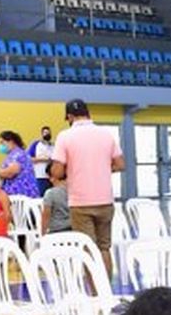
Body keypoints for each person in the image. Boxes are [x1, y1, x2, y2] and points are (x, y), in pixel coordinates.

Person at [50, 99, 124, 272]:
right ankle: (107, 291)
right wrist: (102, 169)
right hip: (105, 200)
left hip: (80, 202)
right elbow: (120, 164)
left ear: (69, 117)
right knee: (104, 247)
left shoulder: (65, 136)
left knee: (87, 249)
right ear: (88, 113)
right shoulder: (105, 134)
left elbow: (57, 172)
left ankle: (95, 294)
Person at [0, 131, 36, 200]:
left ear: (11, 141)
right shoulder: (12, 155)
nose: (0, 146)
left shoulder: (18, 154)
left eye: (2, 142)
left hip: (20, 195)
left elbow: (11, 172)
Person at [38, 172, 71, 236]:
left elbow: (46, 215)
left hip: (56, 231)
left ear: (52, 178)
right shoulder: (74, 191)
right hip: (74, 230)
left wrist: (43, 234)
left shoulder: (50, 193)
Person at [28, 124, 54, 196]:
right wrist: (44, 159)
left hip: (52, 176)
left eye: (48, 132)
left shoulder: (53, 145)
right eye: (45, 133)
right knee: (41, 195)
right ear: (42, 134)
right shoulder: (36, 144)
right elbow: (29, 159)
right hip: (40, 175)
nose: (47, 134)